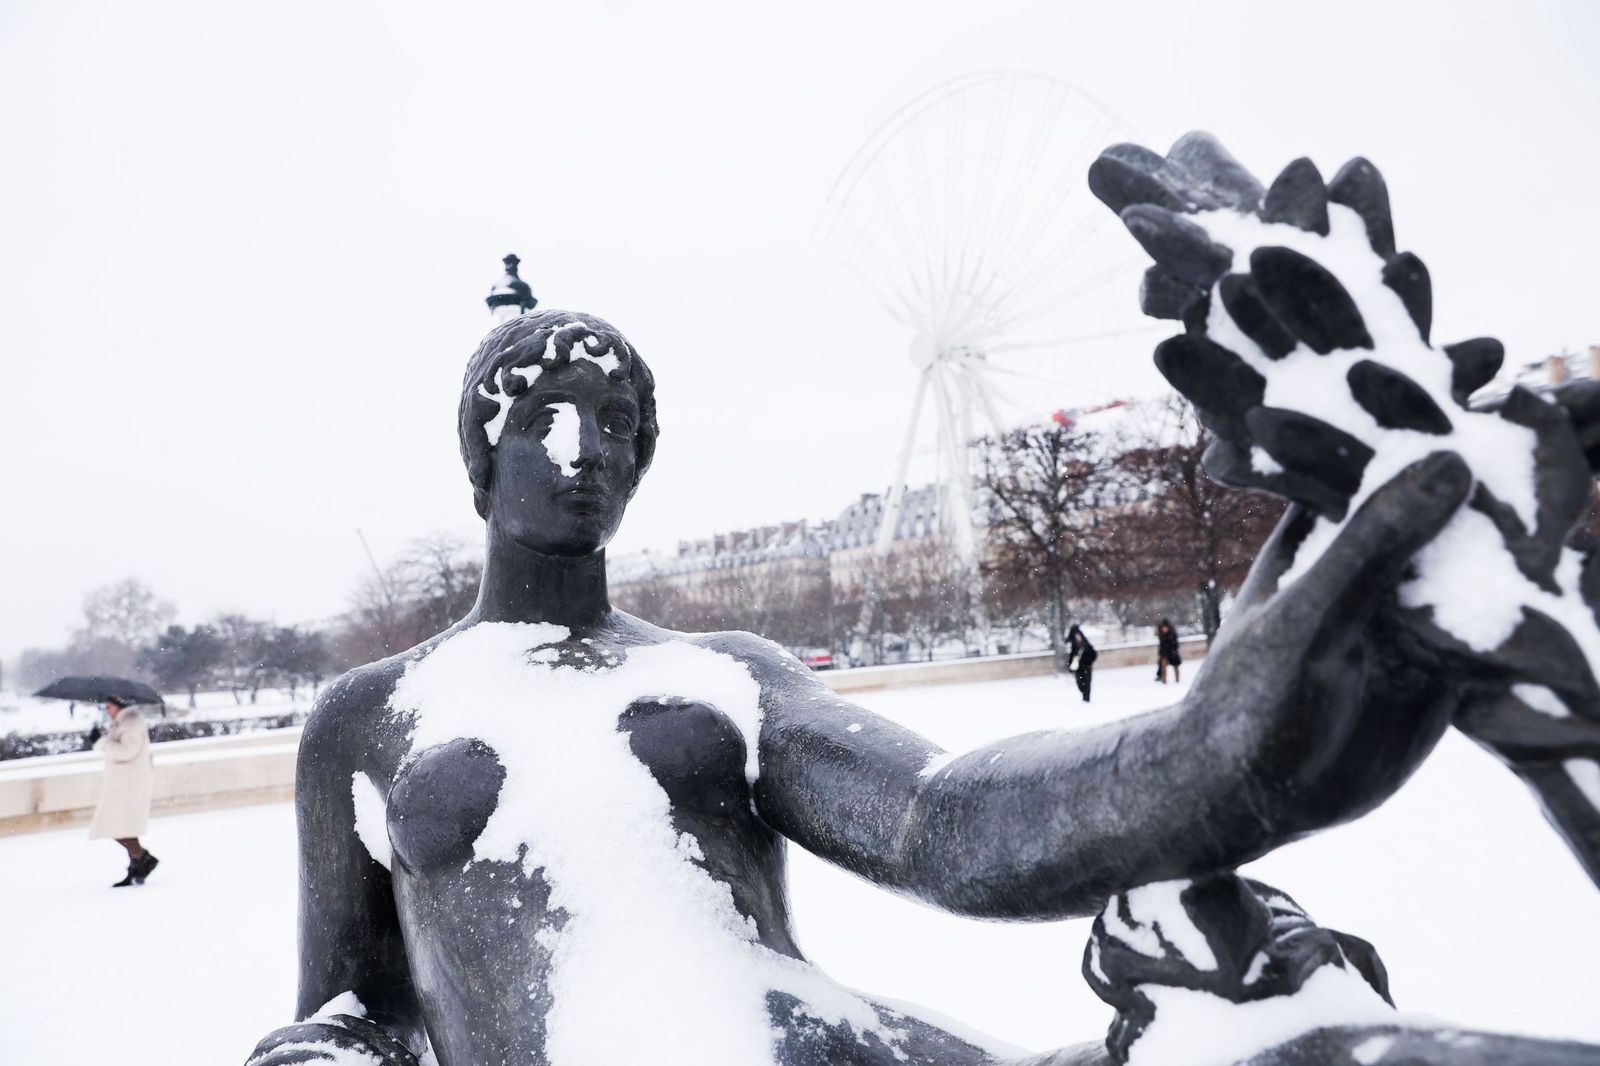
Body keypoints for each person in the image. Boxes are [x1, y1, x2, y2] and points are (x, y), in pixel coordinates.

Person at [246, 311, 1593, 1066]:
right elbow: (356, 1005)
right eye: (542, 414)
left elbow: (940, 822)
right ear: (478, 457)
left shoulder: (722, 674)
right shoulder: (371, 718)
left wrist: (1218, 750)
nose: (583, 447)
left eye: (615, 422)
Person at [89, 698, 159, 888]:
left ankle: (142, 858)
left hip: (129, 784)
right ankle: (138, 864)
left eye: (109, 706)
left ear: (119, 704)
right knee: (123, 827)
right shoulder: (124, 721)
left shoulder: (131, 722)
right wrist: (103, 737)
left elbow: (127, 751)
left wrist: (101, 741)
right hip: (124, 783)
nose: (106, 710)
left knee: (114, 825)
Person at [1065, 625, 1097, 703]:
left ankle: (1086, 699)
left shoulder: (1087, 645)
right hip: (1078, 668)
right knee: (1079, 683)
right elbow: (1071, 657)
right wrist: (1069, 667)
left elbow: (1094, 654)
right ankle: (1084, 696)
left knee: (1087, 682)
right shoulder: (1074, 647)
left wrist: (1088, 662)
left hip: (1087, 667)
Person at [1155, 619, 1181, 684]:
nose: (1164, 629)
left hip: (1172, 652)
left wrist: (1173, 651)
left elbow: (1175, 644)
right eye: (1163, 628)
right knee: (1163, 667)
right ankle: (1163, 680)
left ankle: (1177, 680)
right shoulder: (1161, 635)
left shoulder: (1172, 634)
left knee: (1175, 666)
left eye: (1165, 628)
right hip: (1164, 653)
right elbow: (1161, 645)